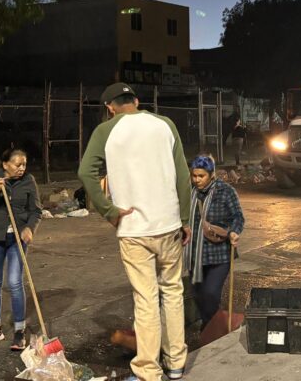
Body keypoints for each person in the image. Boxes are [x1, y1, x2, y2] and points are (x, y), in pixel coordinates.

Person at [79, 83, 192, 381]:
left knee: (146, 299)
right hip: (168, 224)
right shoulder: (164, 124)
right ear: (137, 101)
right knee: (173, 292)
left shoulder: (106, 131)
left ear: (110, 107)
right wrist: (184, 218)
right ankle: (177, 362)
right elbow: (182, 174)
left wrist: (109, 211)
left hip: (134, 230)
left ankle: (148, 370)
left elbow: (85, 173)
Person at [0, 148, 43, 351]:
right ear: (5, 164)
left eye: (24, 164)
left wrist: (30, 228)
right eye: (17, 164)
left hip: (17, 239)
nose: (22, 168)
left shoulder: (28, 181)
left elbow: (36, 210)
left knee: (14, 282)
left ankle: (20, 330)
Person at [184, 155, 245, 328]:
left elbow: (238, 217)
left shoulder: (225, 191)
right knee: (197, 295)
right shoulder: (189, 192)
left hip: (220, 255)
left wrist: (234, 231)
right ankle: (210, 325)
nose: (196, 180)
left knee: (210, 293)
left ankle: (210, 328)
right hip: (195, 255)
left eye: (201, 176)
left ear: (211, 174)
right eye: (194, 176)